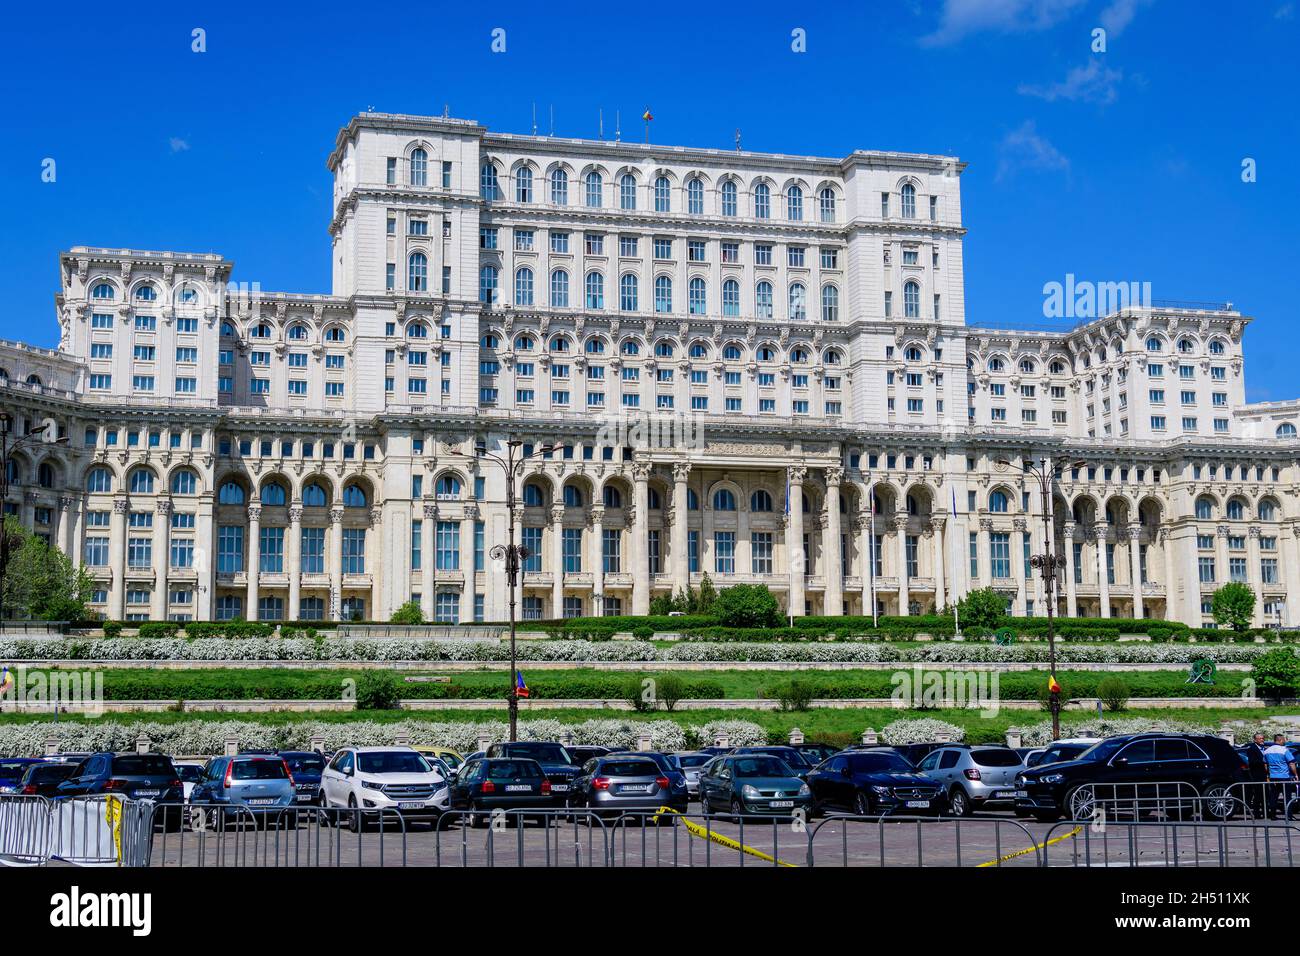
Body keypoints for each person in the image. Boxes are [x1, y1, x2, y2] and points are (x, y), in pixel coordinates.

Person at [1262, 734, 1298, 820]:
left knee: (1274, 797)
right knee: (1287, 797)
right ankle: (1289, 815)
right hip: (1284, 777)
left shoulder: (1267, 751)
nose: (1285, 741)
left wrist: (1268, 774)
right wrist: (1295, 774)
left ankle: (1273, 815)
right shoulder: (1284, 750)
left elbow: (1265, 764)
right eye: (1284, 740)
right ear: (1280, 740)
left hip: (1273, 777)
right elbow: (1291, 763)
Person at [1245, 732, 1269, 816]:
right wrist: (1264, 762)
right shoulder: (1251, 748)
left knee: (1265, 794)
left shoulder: (1264, 748)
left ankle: (1265, 812)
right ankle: (1256, 812)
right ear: (1255, 740)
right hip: (1256, 774)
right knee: (1258, 794)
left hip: (1265, 774)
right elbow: (1252, 762)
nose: (1262, 740)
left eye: (1263, 738)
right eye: (1260, 738)